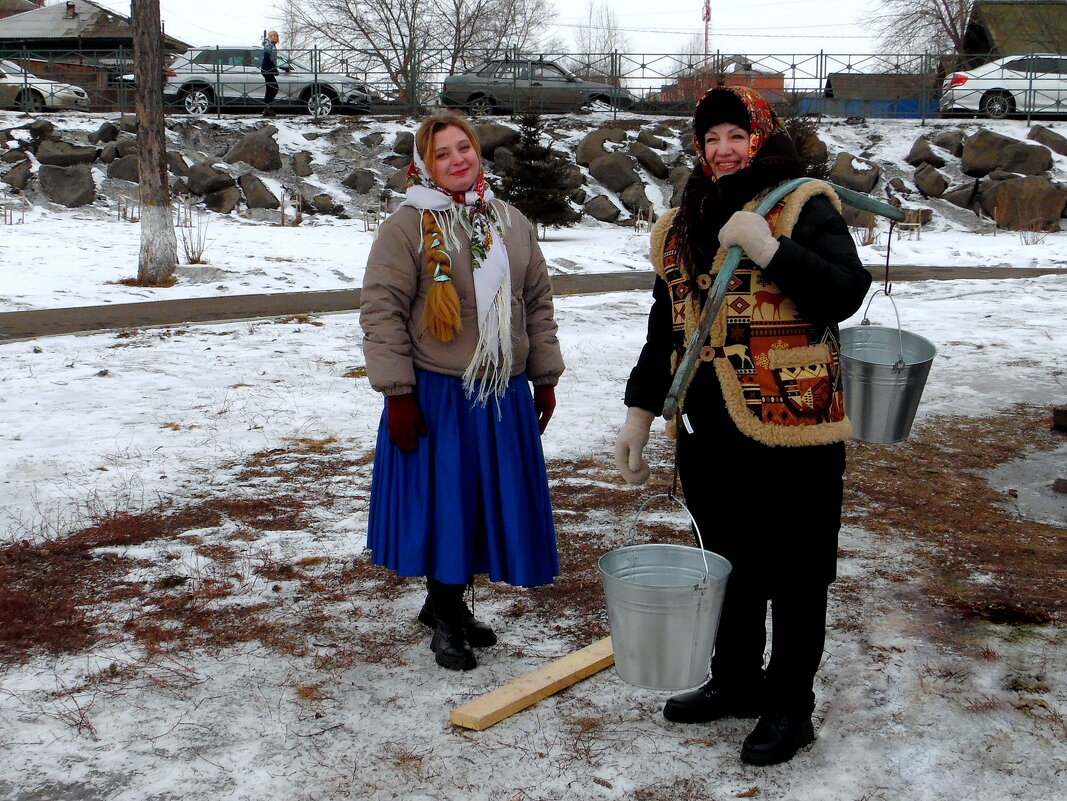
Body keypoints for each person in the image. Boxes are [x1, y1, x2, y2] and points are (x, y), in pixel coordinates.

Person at [615, 86, 871, 766]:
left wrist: (768, 249)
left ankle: (790, 705)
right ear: (697, 148)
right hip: (710, 427)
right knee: (727, 562)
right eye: (710, 139)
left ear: (759, 137)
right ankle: (735, 680)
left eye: (735, 135)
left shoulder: (801, 204)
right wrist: (640, 415)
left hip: (795, 424)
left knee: (795, 569)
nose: (722, 150)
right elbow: (663, 328)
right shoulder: (678, 226)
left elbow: (844, 292)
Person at [360, 112, 564, 672]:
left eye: (464, 148)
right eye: (442, 153)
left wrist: (543, 376)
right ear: (425, 164)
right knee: (447, 503)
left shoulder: (509, 221)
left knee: (479, 502)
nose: (457, 159)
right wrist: (397, 392)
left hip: (501, 390)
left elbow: (537, 302)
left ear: (477, 152)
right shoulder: (405, 227)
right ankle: (448, 616)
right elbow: (383, 312)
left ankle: (441, 602)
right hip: (439, 393)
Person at [261, 31, 280, 117]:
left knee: (271, 88)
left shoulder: (271, 44)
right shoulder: (268, 44)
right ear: (269, 36)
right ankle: (267, 108)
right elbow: (267, 56)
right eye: (273, 36)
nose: (275, 37)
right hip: (267, 69)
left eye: (276, 36)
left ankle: (268, 108)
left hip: (268, 68)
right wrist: (273, 68)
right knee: (273, 88)